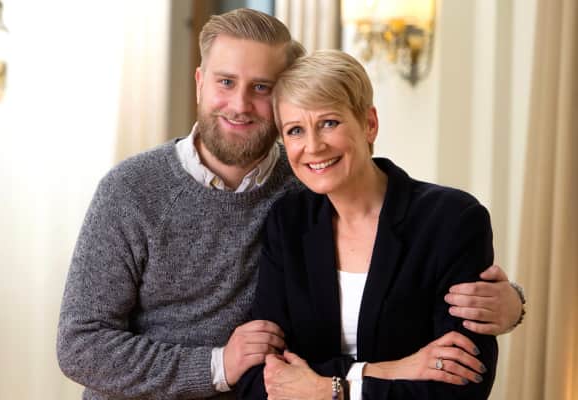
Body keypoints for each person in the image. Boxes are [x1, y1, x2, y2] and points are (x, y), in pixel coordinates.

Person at [56, 8, 524, 400]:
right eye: (225, 81)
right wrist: (220, 365)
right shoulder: (132, 190)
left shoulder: (303, 188)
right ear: (200, 82)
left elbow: (417, 252)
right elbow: (80, 345)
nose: (240, 104)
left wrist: (513, 303)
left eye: (261, 87)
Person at [237, 50, 499, 400]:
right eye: (295, 130)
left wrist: (330, 390)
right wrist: (388, 370)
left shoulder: (451, 220)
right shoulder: (288, 222)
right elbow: (259, 382)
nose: (313, 146)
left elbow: (463, 383)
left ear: (369, 124)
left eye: (329, 123)